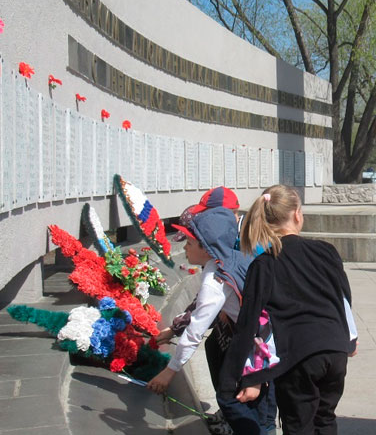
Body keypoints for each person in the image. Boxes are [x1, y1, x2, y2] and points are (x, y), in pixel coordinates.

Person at [218, 185, 358, 435]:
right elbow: (343, 297)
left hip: (298, 357)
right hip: (334, 350)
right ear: (297, 214)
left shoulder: (265, 263)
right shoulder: (326, 251)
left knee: (298, 424)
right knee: (325, 418)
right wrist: (351, 338)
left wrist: (233, 378)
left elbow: (250, 321)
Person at [148, 204, 274, 435]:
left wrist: (170, 371)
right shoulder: (232, 259)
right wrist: (173, 329)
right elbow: (198, 307)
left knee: (251, 413)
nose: (184, 248)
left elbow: (196, 330)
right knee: (254, 409)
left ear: (207, 249)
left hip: (262, 351)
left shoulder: (215, 280)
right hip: (264, 343)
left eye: (190, 243)